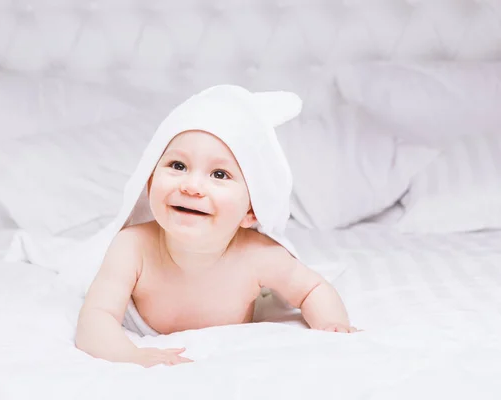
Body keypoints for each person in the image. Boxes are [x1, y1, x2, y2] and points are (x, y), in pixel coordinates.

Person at [74, 85, 358, 368]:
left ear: (251, 210)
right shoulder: (133, 247)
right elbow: (96, 318)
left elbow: (313, 288)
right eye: (178, 165)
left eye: (219, 174)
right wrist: (129, 355)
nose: (192, 186)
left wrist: (332, 324)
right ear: (149, 184)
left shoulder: (259, 255)